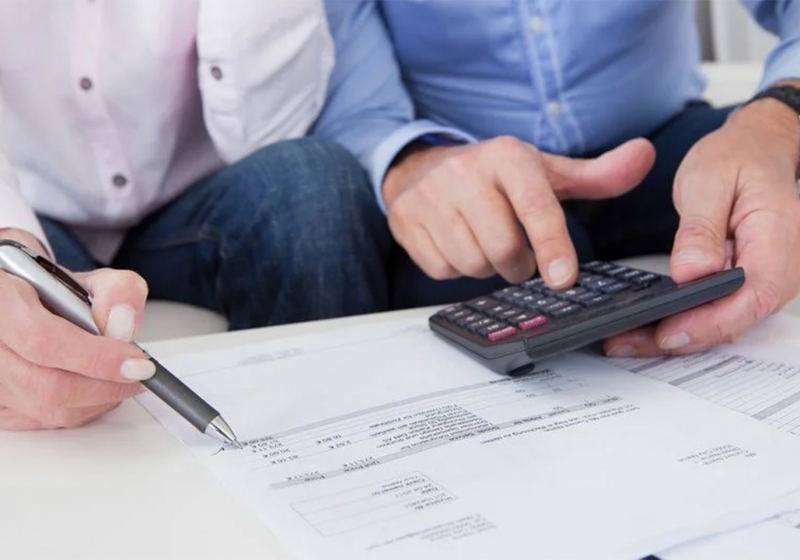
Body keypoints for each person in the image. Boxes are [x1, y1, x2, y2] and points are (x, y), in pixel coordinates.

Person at [315, 0, 800, 359]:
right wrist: (414, 166)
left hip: (660, 143)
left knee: (776, 179)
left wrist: (779, 119)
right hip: (472, 175)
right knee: (476, 282)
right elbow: (359, 108)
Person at [0, 0, 391, 431]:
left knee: (312, 179)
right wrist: (10, 234)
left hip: (193, 209)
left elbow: (268, 133)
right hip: (36, 211)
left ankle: (327, 438)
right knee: (37, 341)